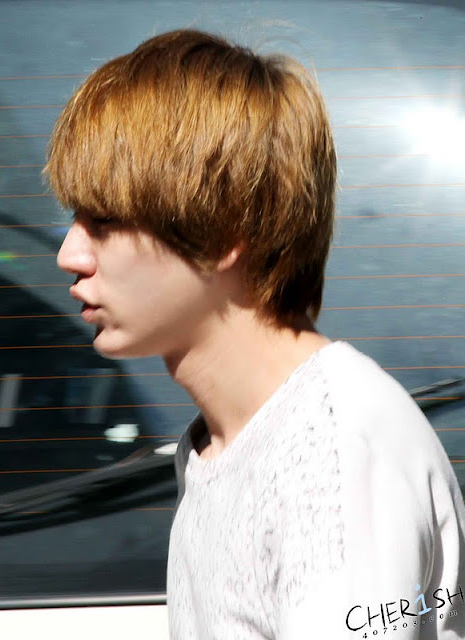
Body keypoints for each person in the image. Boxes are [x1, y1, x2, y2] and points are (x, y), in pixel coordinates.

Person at [45, 28, 465, 639]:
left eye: (103, 220)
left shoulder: (333, 452)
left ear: (222, 233)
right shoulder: (223, 445)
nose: (69, 254)